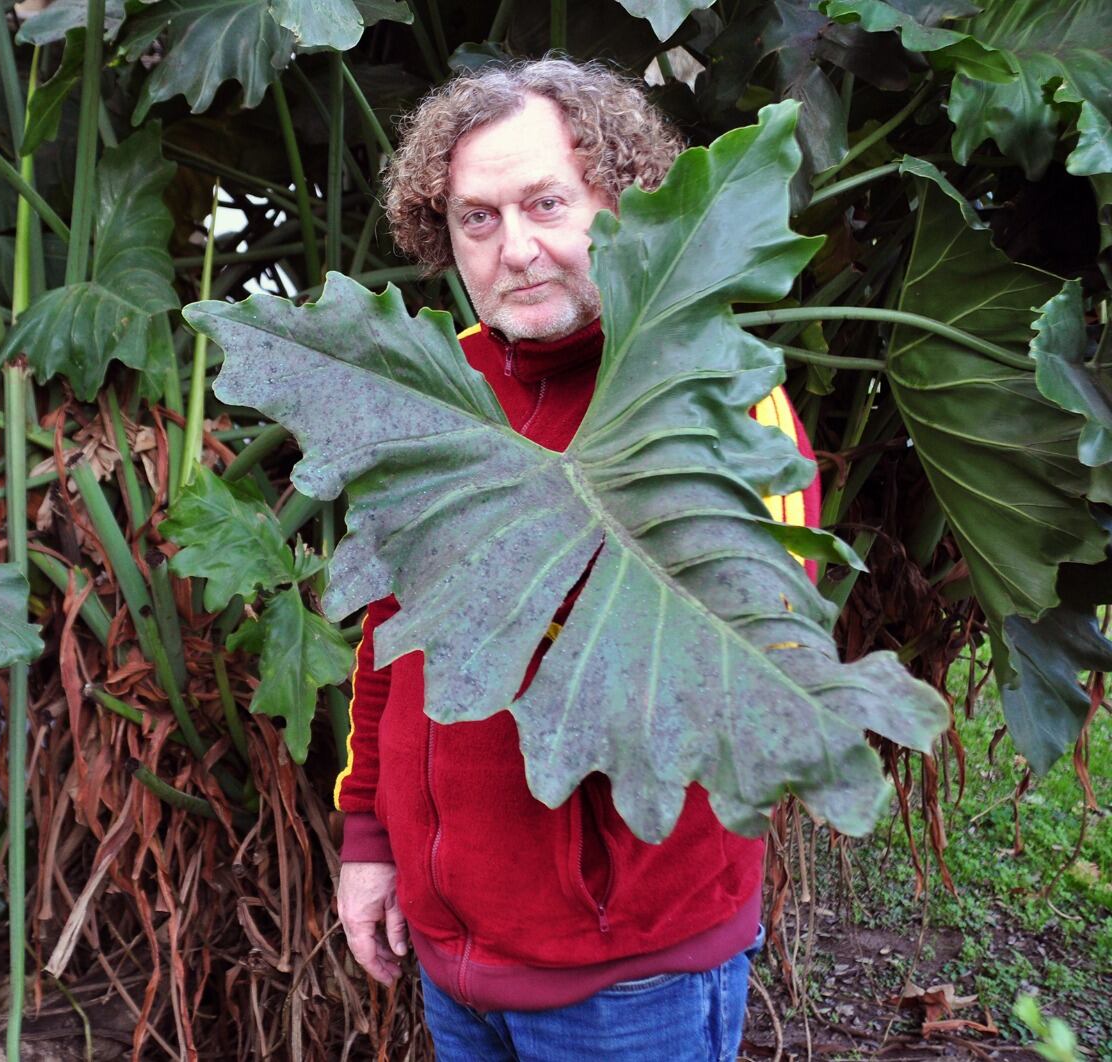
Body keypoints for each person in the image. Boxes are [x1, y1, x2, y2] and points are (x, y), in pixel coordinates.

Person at [331, 58, 822, 1061]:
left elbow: (741, 689)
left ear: (621, 201)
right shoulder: (441, 395)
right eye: (477, 219)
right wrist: (370, 846)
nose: (516, 250)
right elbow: (390, 645)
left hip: (629, 978)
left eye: (546, 204)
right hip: (454, 961)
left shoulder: (714, 402)